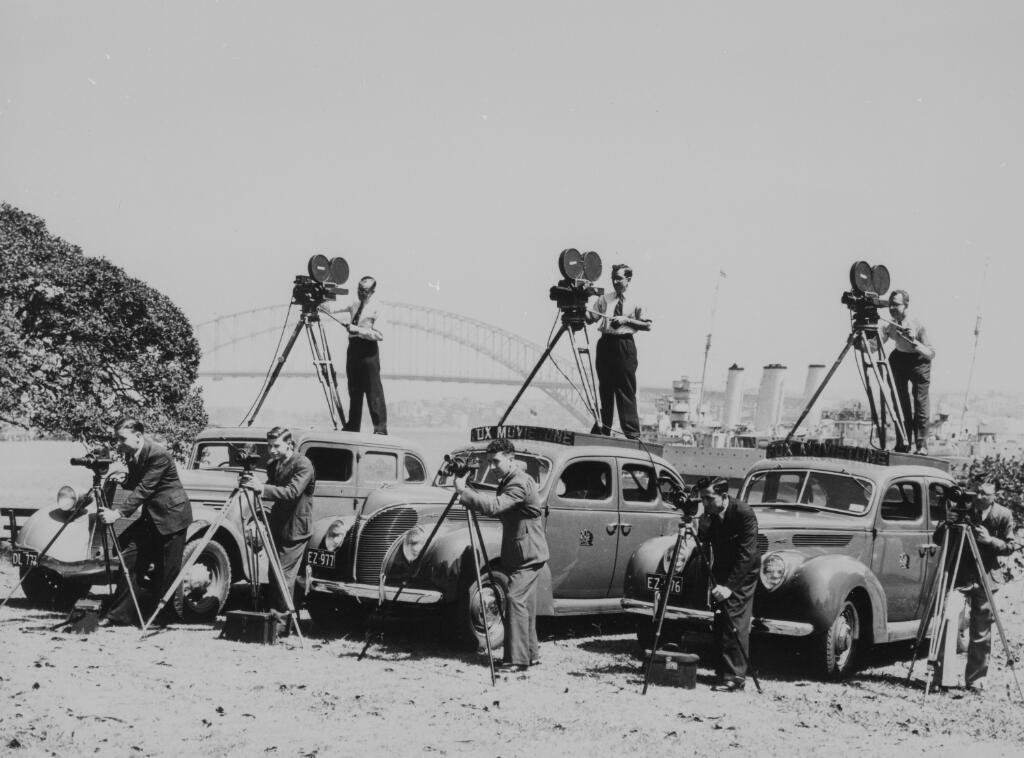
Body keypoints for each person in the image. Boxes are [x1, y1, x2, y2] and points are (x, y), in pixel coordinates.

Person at [454, 439, 549, 672]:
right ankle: (530, 654)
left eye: (496, 461)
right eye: (489, 462)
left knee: (515, 599)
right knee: (523, 603)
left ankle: (516, 660)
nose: (492, 467)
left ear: (511, 459)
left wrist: (462, 491)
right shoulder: (511, 479)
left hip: (528, 553)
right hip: (524, 551)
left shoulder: (518, 482)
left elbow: (496, 506)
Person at [99, 418, 192, 627]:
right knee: (128, 557)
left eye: (122, 439)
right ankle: (120, 614)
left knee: (167, 569)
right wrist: (122, 480)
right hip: (152, 517)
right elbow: (137, 483)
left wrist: (118, 513)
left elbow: (145, 488)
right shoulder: (132, 455)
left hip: (172, 517)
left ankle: (166, 616)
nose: (118, 444)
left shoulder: (159, 455)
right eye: (117, 439)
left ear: (138, 436)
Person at [933, 480, 1019, 691]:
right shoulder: (961, 510)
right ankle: (943, 678)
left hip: (985, 577)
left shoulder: (1003, 514)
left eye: (984, 493)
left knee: (981, 631)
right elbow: (937, 539)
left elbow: (1010, 546)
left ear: (994, 495)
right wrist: (947, 523)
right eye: (977, 492)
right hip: (959, 577)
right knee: (948, 620)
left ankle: (976, 680)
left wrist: (990, 540)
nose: (978, 497)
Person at [242, 426, 315, 636]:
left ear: (289, 444)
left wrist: (262, 489)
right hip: (278, 525)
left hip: (296, 529)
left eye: (276, 446)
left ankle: (281, 625)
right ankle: (282, 619)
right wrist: (253, 485)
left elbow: (292, 492)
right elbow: (272, 488)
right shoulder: (274, 464)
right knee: (275, 574)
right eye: (269, 446)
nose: (271, 450)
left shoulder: (303, 464)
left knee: (283, 575)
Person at [697, 476, 759, 692]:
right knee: (720, 617)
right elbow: (703, 543)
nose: (705, 503)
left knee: (734, 617)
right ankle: (722, 670)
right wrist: (702, 527)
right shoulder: (710, 515)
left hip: (743, 572)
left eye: (709, 498)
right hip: (721, 570)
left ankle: (735, 677)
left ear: (723, 496)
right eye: (702, 499)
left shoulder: (743, 513)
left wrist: (729, 586)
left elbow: (747, 555)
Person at [586, 263, 652, 439]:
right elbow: (590, 318)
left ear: (628, 279)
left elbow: (647, 325)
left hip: (624, 345)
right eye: (613, 278)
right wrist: (580, 302)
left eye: (619, 278)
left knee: (626, 389)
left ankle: (632, 434)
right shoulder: (604, 299)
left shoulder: (637, 300)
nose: (615, 281)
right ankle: (603, 429)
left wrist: (625, 320)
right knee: (604, 389)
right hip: (605, 344)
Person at [879, 289, 935, 454]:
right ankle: (903, 442)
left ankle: (921, 446)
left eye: (896, 305)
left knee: (920, 404)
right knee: (899, 403)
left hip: (919, 361)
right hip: (899, 361)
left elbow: (931, 353)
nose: (892, 309)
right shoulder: (891, 325)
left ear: (906, 305)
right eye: (890, 305)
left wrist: (915, 342)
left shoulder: (917, 324)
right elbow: (876, 346)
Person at [341, 276, 388, 434]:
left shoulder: (378, 308)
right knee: (354, 390)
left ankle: (380, 430)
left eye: (365, 291)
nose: (361, 293)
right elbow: (332, 308)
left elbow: (379, 335)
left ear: (372, 291)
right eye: (359, 289)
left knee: (373, 391)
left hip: (368, 351)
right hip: (353, 349)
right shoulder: (354, 304)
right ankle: (353, 427)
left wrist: (358, 330)